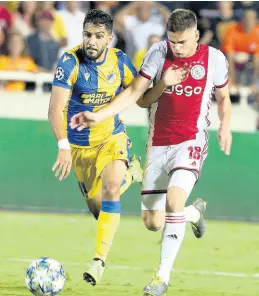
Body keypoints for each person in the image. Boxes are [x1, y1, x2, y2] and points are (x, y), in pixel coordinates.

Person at [70, 8, 232, 295]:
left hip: (191, 140)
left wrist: (225, 127)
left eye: (181, 42)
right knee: (153, 222)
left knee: (173, 199)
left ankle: (161, 278)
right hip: (158, 142)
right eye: (172, 41)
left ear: (196, 35)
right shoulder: (158, 53)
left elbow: (223, 98)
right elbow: (136, 96)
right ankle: (192, 213)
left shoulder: (214, 59)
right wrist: (99, 116)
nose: (176, 48)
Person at [48, 9, 143, 286]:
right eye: (88, 34)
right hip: (79, 149)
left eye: (98, 36)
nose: (91, 40)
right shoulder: (70, 61)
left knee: (111, 187)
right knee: (99, 210)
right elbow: (55, 108)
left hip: (111, 137)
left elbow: (138, 94)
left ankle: (99, 260)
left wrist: (163, 85)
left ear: (109, 39)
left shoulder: (120, 62)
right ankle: (132, 173)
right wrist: (63, 146)